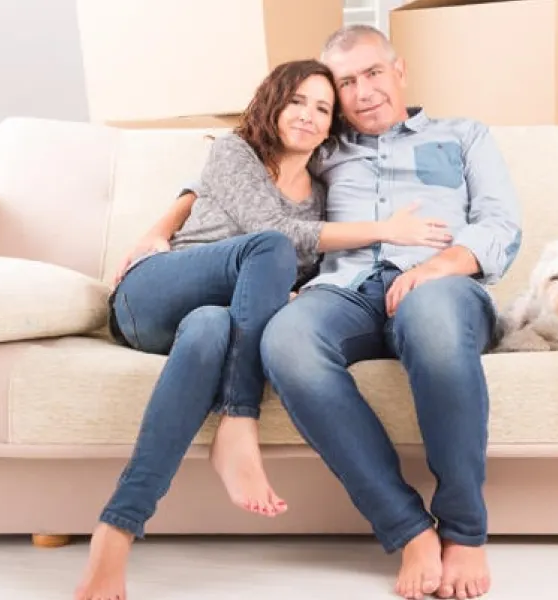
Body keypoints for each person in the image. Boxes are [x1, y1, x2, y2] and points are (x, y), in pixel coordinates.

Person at [75, 59, 455, 600]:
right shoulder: (236, 151)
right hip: (154, 294)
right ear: (273, 102)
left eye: (322, 108)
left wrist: (297, 293)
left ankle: (115, 533)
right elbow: (270, 232)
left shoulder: (322, 194)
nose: (307, 115)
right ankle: (238, 418)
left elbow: (307, 263)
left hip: (215, 318)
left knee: (210, 328)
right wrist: (385, 229)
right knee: (271, 244)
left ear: (331, 125)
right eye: (296, 100)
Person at [259, 25, 522, 600]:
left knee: (432, 320)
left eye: (373, 73)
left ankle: (464, 530)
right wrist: (165, 225)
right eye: (346, 82)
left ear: (399, 71)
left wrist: (437, 267)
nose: (363, 92)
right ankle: (408, 528)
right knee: (285, 340)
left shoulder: (464, 135)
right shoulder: (324, 147)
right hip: (345, 288)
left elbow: (501, 224)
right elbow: (242, 170)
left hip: (441, 283)